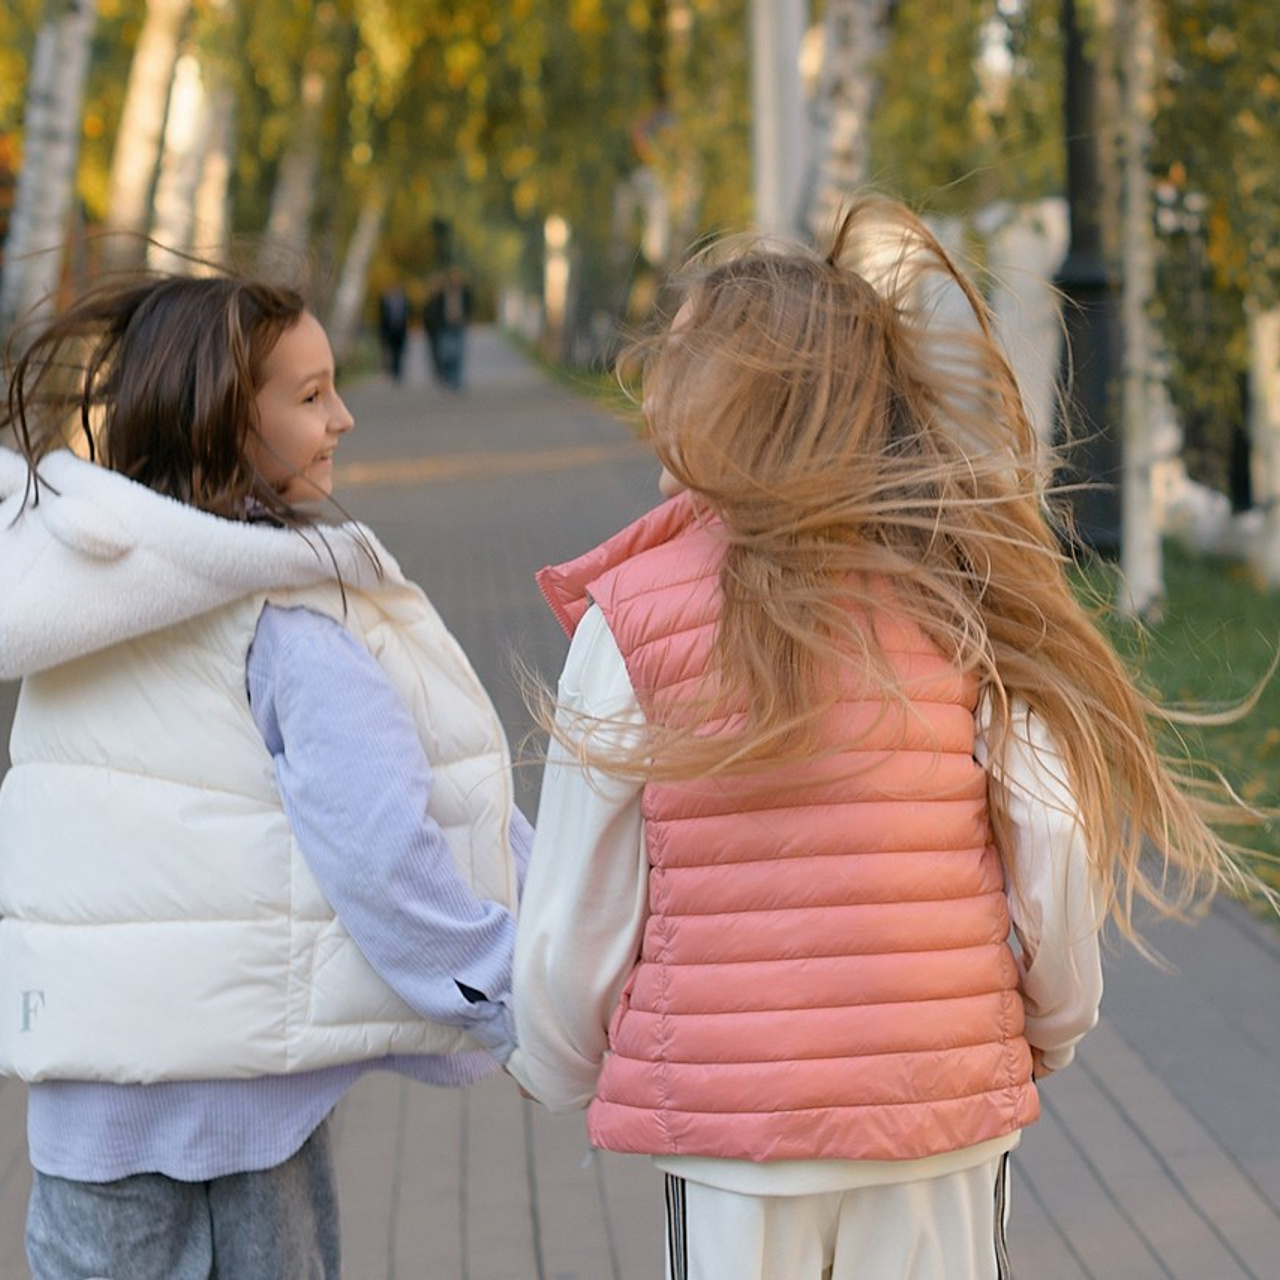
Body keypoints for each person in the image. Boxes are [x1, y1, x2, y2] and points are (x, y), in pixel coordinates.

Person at [506, 198, 1271, 1279]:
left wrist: (553, 1056)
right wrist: (1051, 1012)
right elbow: (1043, 834)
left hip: (738, 1141)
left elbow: (582, 899)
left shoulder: (633, 617)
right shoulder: (957, 586)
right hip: (935, 1123)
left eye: (675, 378)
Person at [0, 272, 530, 1279]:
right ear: (225, 419)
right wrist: (511, 989)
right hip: (246, 1100)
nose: (345, 414)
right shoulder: (284, 614)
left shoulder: (62, 592)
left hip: (81, 1101)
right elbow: (384, 849)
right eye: (310, 393)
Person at [377, 282, 410, 381]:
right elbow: (382, 317)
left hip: (401, 331)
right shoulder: (385, 301)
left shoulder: (404, 301)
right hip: (389, 331)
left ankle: (398, 370)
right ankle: (393, 370)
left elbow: (407, 314)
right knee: (391, 351)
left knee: (399, 351)